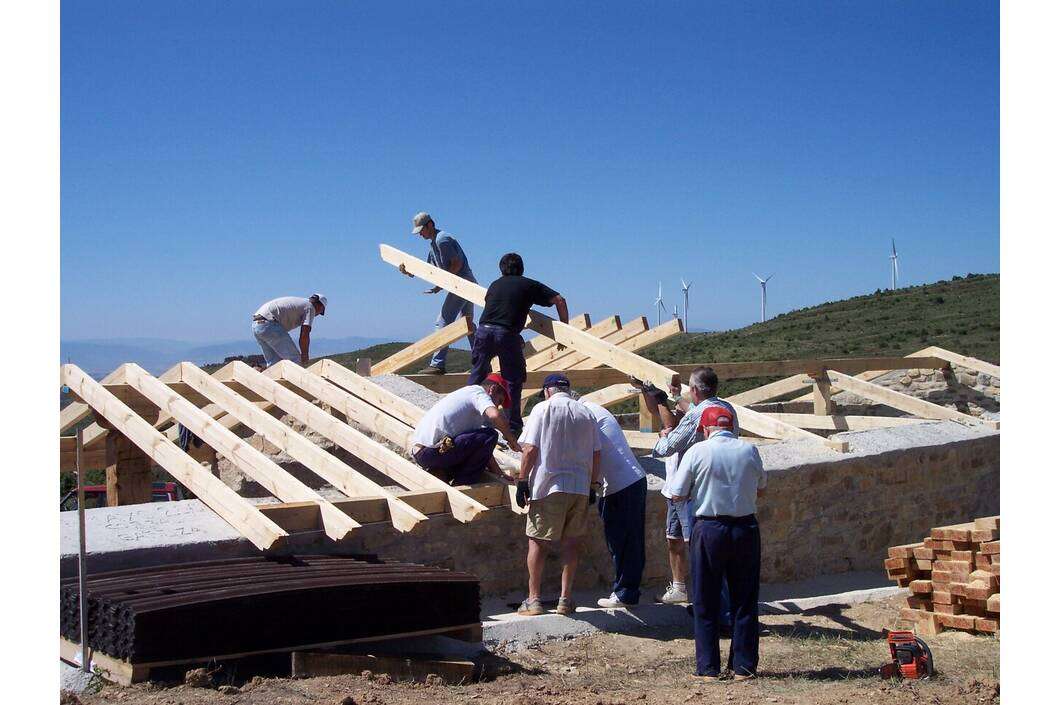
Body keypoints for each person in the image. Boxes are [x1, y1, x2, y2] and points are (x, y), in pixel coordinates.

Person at [669, 405, 766, 681]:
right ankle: (743, 666)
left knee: (705, 597)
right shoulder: (749, 450)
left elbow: (676, 492)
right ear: (731, 426)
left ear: (705, 428)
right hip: (745, 526)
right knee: (744, 598)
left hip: (710, 527)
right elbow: (762, 486)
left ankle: (708, 667)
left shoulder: (698, 452)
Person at [641, 367, 739, 605]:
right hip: (695, 486)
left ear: (694, 390)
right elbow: (694, 410)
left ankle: (701, 596)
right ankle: (681, 589)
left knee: (692, 543)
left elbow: (668, 447)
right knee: (674, 537)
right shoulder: (726, 409)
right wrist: (674, 398)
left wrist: (664, 435)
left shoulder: (697, 416)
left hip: (688, 491)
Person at [514, 374, 600, 616]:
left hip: (548, 486)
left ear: (547, 391)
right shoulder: (586, 413)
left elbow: (530, 449)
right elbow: (596, 453)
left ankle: (534, 600)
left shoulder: (543, 409)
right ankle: (565, 599)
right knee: (572, 544)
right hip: (579, 487)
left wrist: (522, 480)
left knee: (538, 542)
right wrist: (593, 484)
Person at [466, 252, 568, 435]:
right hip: (506, 334)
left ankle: (464, 412)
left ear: (501, 269)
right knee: (513, 380)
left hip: (484, 331)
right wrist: (564, 331)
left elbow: (499, 307)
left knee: (477, 375)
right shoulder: (528, 285)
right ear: (521, 268)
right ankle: (513, 426)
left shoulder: (495, 285)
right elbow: (560, 300)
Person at [582, 401, 648, 609]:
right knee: (629, 540)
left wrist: (591, 485)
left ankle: (625, 594)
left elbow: (591, 452)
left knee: (623, 542)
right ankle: (627, 591)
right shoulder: (594, 410)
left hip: (620, 485)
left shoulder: (585, 414)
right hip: (629, 481)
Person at [398, 212, 477, 374]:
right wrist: (408, 271)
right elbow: (430, 271)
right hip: (466, 283)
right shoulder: (434, 243)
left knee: (443, 321)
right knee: (467, 323)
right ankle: (482, 361)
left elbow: (456, 264)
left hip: (461, 285)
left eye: (422, 230)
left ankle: (437, 364)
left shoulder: (442, 240)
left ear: (430, 225)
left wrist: (443, 285)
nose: (420, 234)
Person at [409, 373, 521, 485]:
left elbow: (484, 448)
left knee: (484, 438)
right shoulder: (478, 394)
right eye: (499, 401)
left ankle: (440, 471)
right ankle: (462, 484)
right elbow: (495, 416)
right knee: (491, 434)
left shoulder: (468, 398)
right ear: (493, 389)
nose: (497, 406)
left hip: (422, 453)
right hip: (430, 453)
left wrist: (499, 473)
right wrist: (511, 439)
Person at [251, 294, 327, 367]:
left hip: (257, 325)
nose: (317, 315)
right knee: (295, 360)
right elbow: (304, 334)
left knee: (274, 364)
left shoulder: (301, 303)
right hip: (269, 324)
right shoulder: (310, 307)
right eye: (320, 312)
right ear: (320, 306)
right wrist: (305, 354)